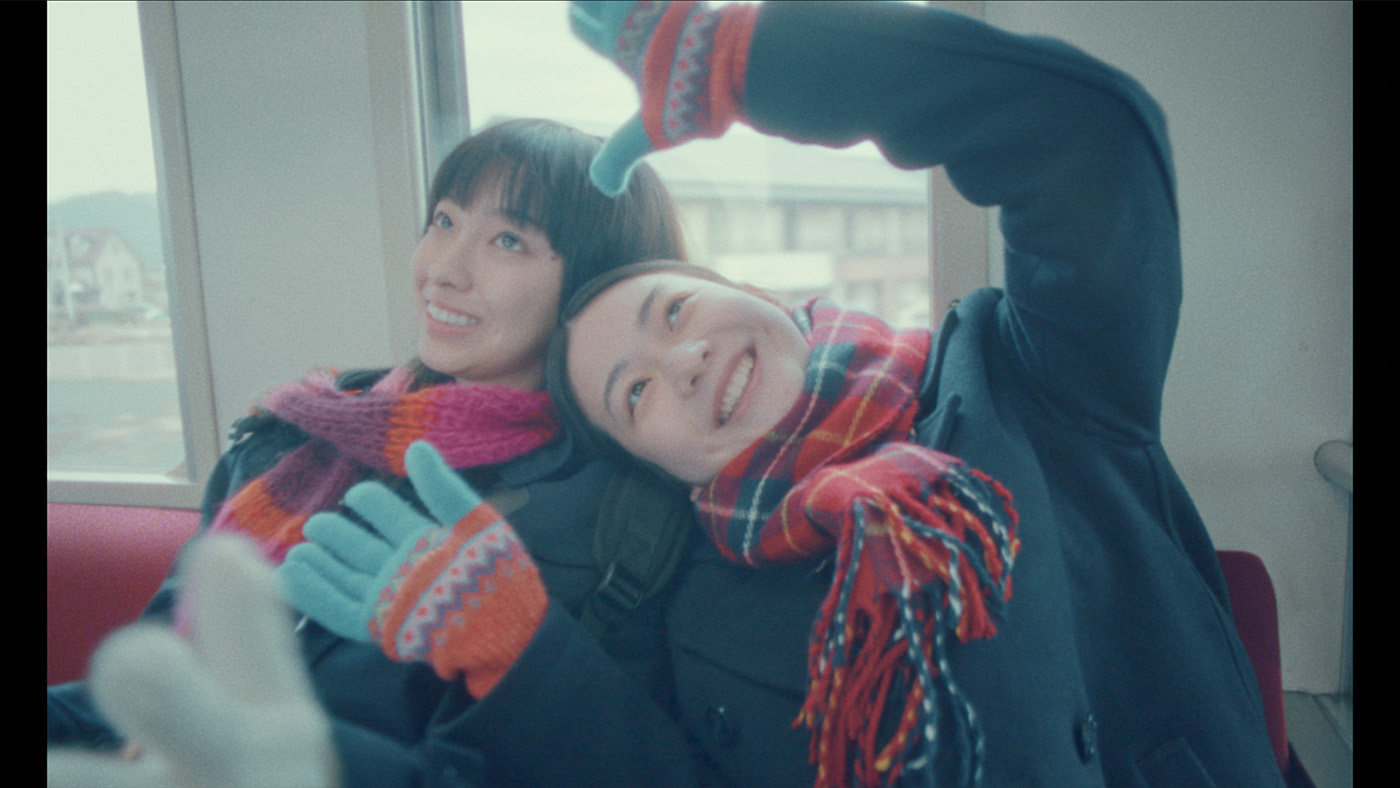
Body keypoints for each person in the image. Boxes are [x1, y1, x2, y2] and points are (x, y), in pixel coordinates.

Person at [539, 1, 1285, 786]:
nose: (684, 361)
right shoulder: (692, 611)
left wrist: (741, 63)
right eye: (636, 394)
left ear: (754, 291)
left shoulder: (1025, 372)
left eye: (676, 311)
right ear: (650, 463)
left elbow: (1085, 142)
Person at [47, 117, 699, 788]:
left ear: (593, 287)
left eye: (508, 241)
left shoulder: (618, 523)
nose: (443, 270)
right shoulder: (296, 438)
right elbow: (149, 686)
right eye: (444, 221)